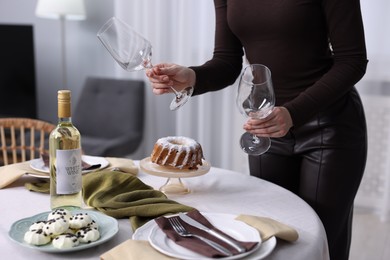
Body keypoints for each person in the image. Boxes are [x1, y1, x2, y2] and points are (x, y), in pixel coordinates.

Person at [146, 0, 368, 259]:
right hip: (266, 127)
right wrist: (192, 77)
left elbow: (352, 61)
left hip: (328, 127)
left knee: (324, 241)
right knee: (270, 234)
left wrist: (293, 113)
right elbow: (228, 62)